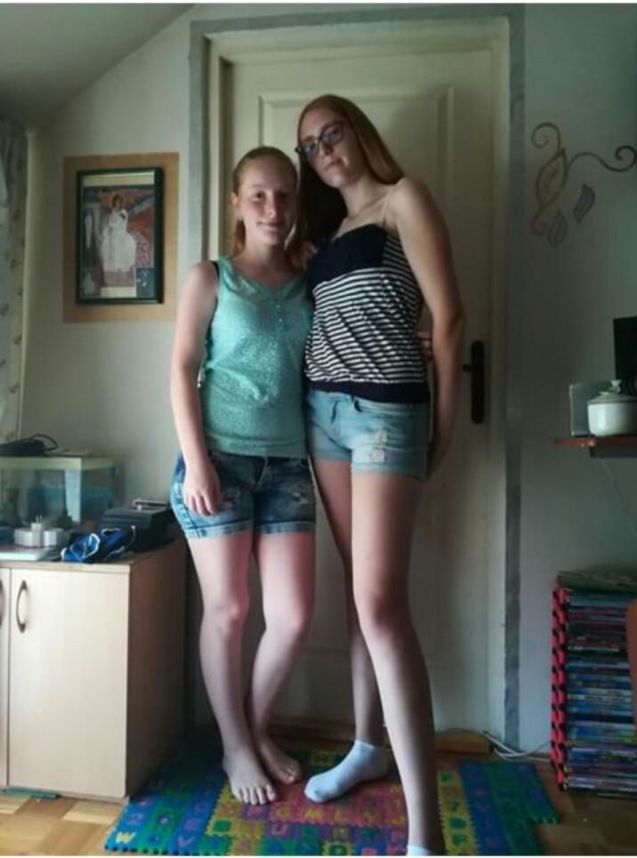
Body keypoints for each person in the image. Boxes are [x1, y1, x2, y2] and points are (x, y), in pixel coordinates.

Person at [293, 94, 465, 856]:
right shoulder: (326, 235)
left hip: (386, 414)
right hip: (322, 416)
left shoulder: (404, 200)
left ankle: (426, 832)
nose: (324, 150)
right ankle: (367, 746)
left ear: (358, 132)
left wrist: (445, 425)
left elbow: (450, 318)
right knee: (359, 602)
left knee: (380, 606)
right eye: (309, 145)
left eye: (331, 133)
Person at [169, 146, 316, 806]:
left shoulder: (310, 280)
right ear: (236, 202)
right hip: (218, 459)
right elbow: (180, 369)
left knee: (294, 616)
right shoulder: (211, 277)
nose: (272, 208)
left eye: (283, 195)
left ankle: (251, 732)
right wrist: (197, 460)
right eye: (258, 195)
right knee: (229, 610)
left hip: (288, 464)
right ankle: (233, 746)